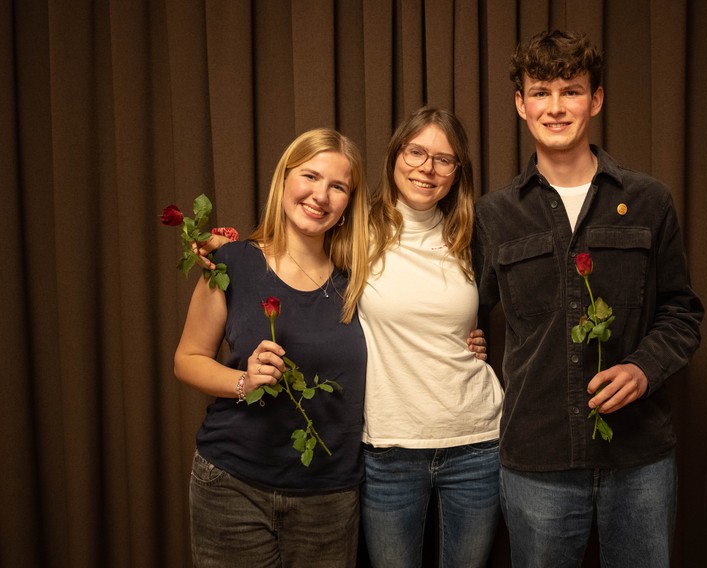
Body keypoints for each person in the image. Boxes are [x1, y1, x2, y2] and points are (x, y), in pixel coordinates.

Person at [473, 30, 704, 567]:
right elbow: (464, 305)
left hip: (638, 459)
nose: (556, 108)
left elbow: (682, 311)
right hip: (537, 461)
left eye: (571, 91)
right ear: (520, 105)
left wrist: (645, 367)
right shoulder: (495, 214)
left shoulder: (649, 200)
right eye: (541, 92)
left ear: (595, 100)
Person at [173, 128, 371, 568]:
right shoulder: (231, 262)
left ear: (347, 205)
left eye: (338, 187)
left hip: (329, 497)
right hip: (232, 486)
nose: (321, 195)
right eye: (310, 176)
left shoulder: (361, 279)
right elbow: (187, 360)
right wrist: (244, 381)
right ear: (284, 179)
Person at [359, 106, 504, 567]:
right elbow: (291, 255)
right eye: (416, 152)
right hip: (389, 447)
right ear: (395, 155)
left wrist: (474, 339)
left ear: (458, 171)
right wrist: (228, 248)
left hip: (477, 443)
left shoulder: (473, 235)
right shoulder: (355, 232)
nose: (427, 168)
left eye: (444, 159)